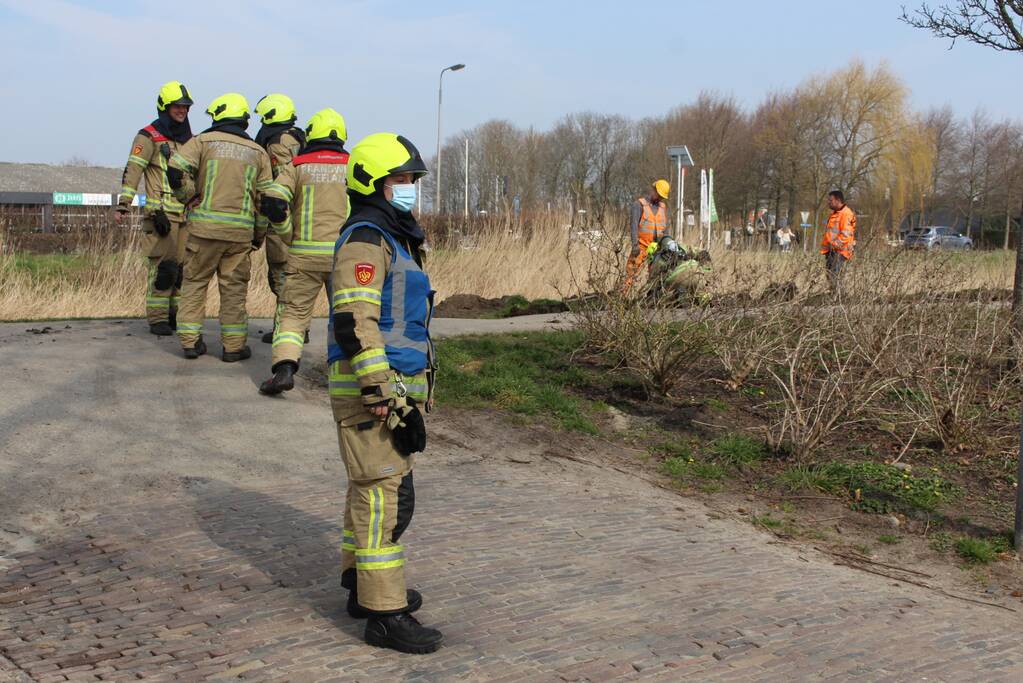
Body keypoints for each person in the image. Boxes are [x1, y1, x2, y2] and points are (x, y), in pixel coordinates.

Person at [328, 132, 441, 654]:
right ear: (374, 183)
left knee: (372, 493)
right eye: (402, 180)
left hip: (390, 388)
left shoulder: (389, 235)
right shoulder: (367, 238)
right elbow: (355, 321)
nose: (410, 189)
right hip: (375, 392)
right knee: (385, 503)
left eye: (413, 180)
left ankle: (361, 589)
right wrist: (383, 396)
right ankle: (384, 615)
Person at [167, 93, 273, 361]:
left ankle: (190, 343)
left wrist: (189, 197)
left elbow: (175, 170)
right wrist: (258, 236)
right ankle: (233, 348)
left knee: (194, 285)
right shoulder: (258, 152)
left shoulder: (202, 142)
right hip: (239, 235)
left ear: (218, 116)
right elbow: (265, 201)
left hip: (203, 232)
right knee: (234, 292)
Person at [259, 108, 350, 395]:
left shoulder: (297, 166)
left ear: (312, 135)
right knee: (347, 315)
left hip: (303, 256)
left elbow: (273, 201)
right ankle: (346, 376)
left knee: (293, 316)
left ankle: (284, 369)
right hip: (345, 256)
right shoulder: (353, 165)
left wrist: (288, 235)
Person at [115, 81, 193, 336]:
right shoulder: (148, 136)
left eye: (185, 107)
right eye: (177, 107)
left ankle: (174, 315)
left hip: (185, 214)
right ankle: (158, 319)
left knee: (180, 270)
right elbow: (134, 169)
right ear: (164, 107)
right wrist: (124, 204)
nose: (182, 111)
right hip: (160, 214)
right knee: (163, 269)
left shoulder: (189, 139)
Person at [254, 94, 306, 344]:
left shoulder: (276, 143)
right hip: (300, 215)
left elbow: (281, 178)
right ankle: (297, 328)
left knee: (281, 276)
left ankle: (287, 330)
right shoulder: (297, 136)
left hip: (282, 217)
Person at [624, 179, 670, 290]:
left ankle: (651, 302)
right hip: (641, 246)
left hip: (657, 248)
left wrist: (666, 245)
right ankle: (622, 297)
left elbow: (665, 228)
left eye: (662, 197)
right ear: (653, 190)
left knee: (656, 278)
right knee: (630, 275)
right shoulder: (639, 205)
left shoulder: (663, 208)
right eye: (658, 195)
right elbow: (634, 226)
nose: (660, 198)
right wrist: (635, 245)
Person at [820, 189, 856, 289]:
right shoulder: (836, 213)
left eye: (830, 200)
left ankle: (838, 296)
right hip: (833, 250)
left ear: (838, 200)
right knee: (830, 273)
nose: (828, 202)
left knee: (834, 274)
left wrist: (834, 245)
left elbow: (846, 234)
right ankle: (835, 294)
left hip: (840, 250)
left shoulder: (846, 214)